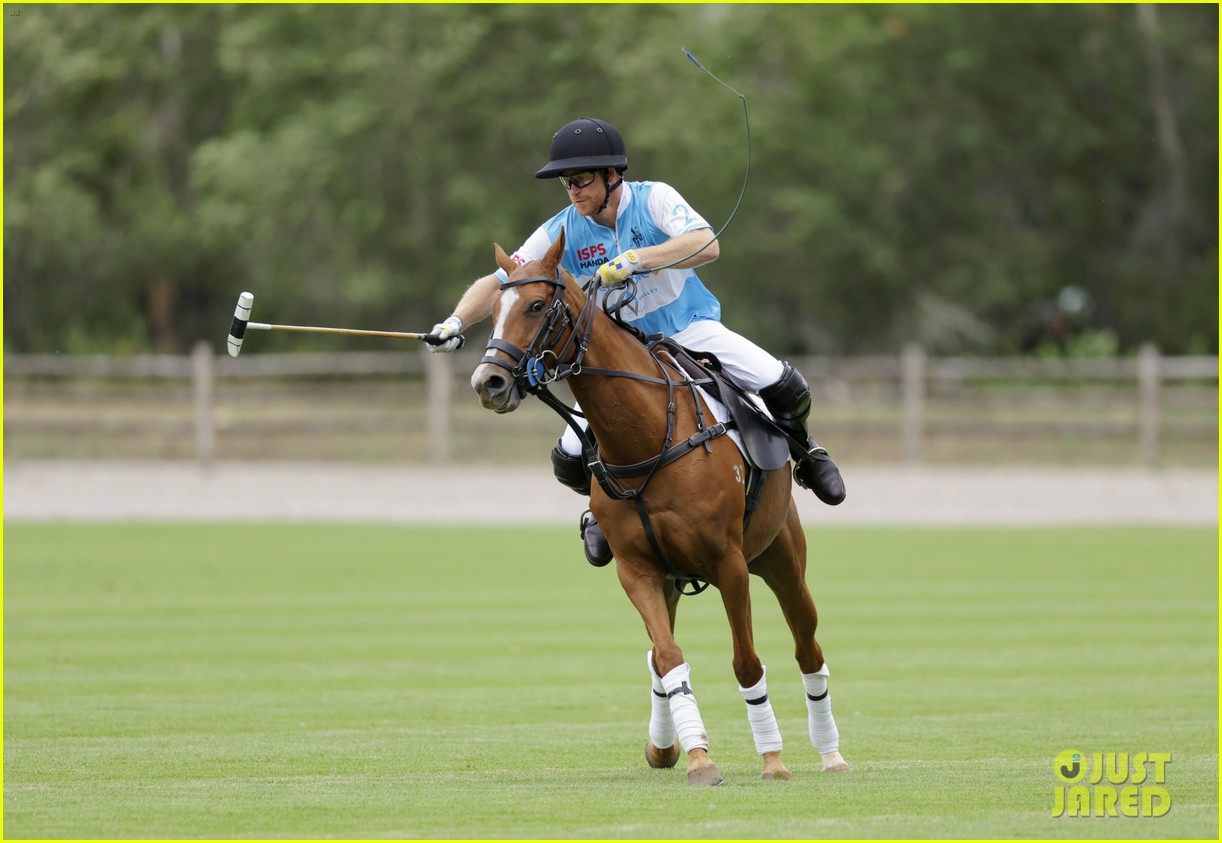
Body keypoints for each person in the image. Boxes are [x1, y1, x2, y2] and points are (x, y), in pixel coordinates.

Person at [429, 117, 844, 567]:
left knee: (784, 384)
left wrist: (635, 260)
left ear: (612, 176)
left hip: (690, 329)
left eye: (582, 180)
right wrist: (455, 321)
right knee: (569, 457)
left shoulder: (655, 199)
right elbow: (502, 279)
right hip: (624, 353)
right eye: (567, 183)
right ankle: (605, 507)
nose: (574, 190)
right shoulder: (563, 228)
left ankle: (807, 455)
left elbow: (707, 244)